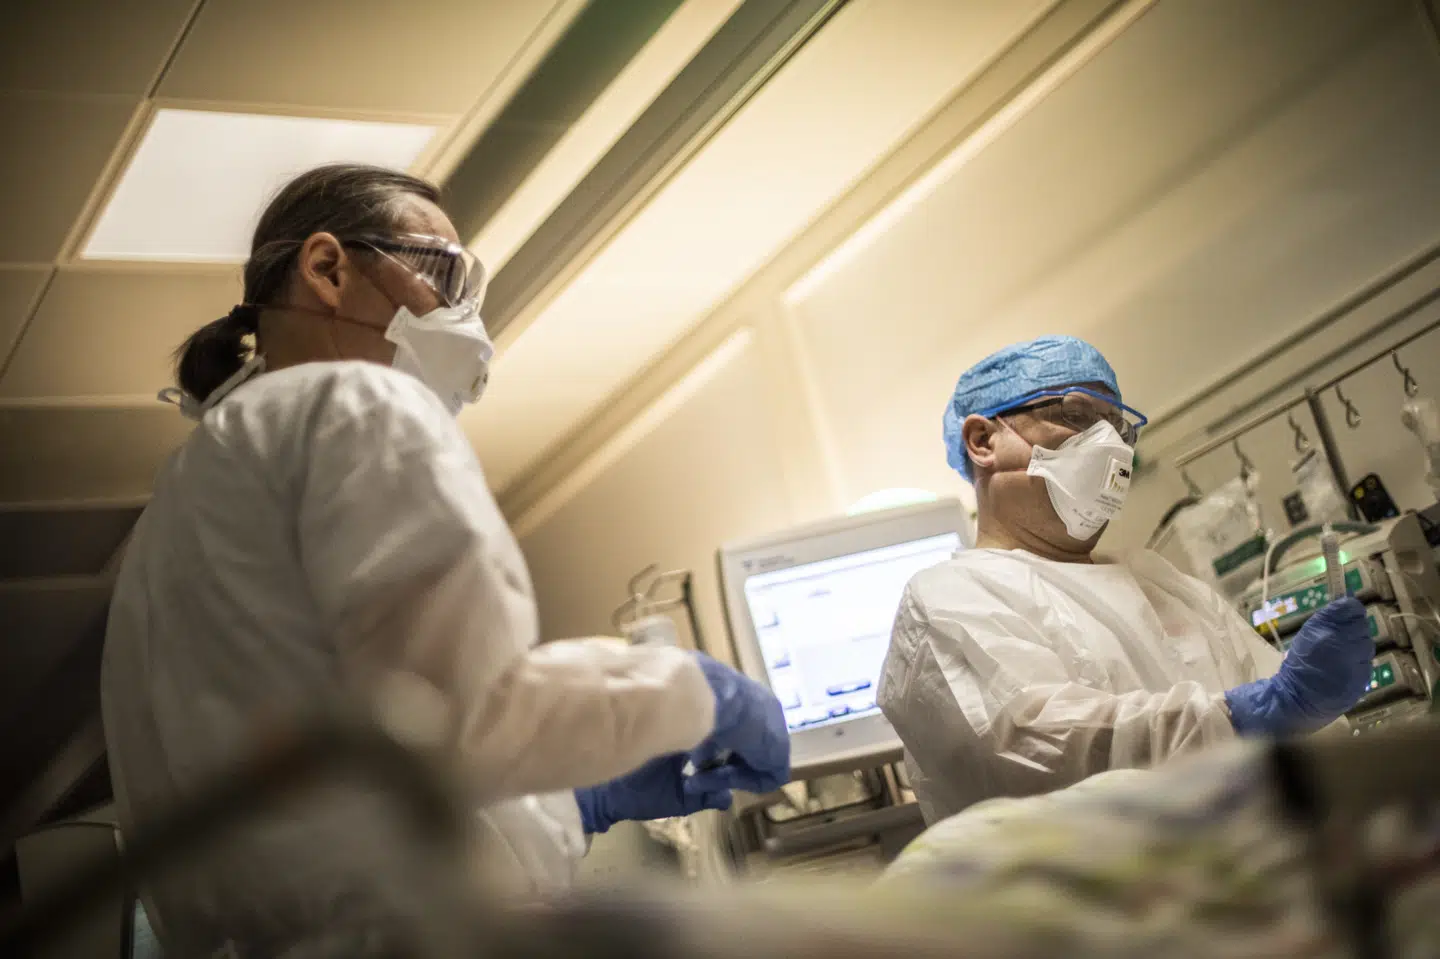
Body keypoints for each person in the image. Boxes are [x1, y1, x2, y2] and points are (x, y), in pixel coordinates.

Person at [99, 163, 789, 954]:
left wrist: (574, 801)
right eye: (446, 275)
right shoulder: (355, 402)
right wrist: (692, 692)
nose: (468, 319)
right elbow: (462, 714)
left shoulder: (177, 505)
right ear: (327, 269)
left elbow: (376, 758)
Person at [877, 335, 1373, 824]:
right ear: (984, 441)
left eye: (1117, 426)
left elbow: (1303, 723)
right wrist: (1245, 716)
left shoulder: (1161, 581)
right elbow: (1040, 750)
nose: (1109, 445)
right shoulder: (948, 599)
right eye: (1075, 416)